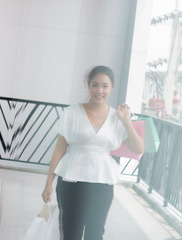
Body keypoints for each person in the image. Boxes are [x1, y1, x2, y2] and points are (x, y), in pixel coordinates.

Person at [41, 65, 144, 240]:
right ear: (88, 85)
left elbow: (139, 148)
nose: (99, 91)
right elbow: (60, 148)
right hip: (71, 179)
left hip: (101, 182)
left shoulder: (116, 117)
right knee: (70, 232)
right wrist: (49, 182)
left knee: (95, 234)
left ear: (112, 87)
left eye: (105, 86)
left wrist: (126, 120)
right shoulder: (71, 112)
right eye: (95, 85)